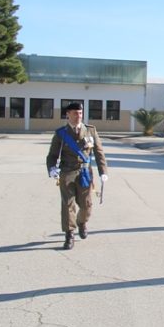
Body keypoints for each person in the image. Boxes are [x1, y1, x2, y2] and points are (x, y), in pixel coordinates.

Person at [46, 101, 109, 249]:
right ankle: (70, 234)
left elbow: (99, 152)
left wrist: (103, 171)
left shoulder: (90, 131)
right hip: (67, 172)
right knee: (67, 204)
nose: (78, 116)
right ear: (68, 114)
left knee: (86, 205)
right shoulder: (61, 133)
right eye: (75, 113)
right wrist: (51, 168)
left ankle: (82, 222)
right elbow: (52, 155)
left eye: (80, 113)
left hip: (85, 172)